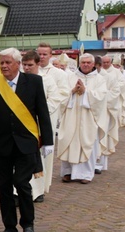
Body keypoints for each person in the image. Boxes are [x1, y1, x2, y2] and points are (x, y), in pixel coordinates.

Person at [0, 48, 53, 232]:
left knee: (21, 183)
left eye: (8, 62)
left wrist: (48, 140)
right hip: (2, 145)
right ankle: (9, 228)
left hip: (26, 144)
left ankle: (28, 225)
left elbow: (42, 113)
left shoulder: (34, 82)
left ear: (18, 64)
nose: (4, 66)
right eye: (1, 62)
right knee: (4, 187)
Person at [57, 53, 107, 184]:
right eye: (83, 62)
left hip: (88, 118)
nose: (85, 65)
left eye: (88, 63)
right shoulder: (70, 77)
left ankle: (85, 174)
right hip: (71, 116)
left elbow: (101, 97)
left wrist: (86, 92)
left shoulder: (99, 79)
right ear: (79, 63)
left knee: (87, 143)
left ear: (93, 64)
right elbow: (61, 95)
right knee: (68, 140)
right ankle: (68, 172)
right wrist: (72, 91)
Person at [20, 50, 58, 203]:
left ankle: (38, 190)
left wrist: (37, 110)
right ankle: (19, 190)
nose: (27, 68)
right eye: (24, 65)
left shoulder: (47, 80)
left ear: (37, 64)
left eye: (30, 65)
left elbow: (55, 99)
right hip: (22, 124)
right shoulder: (18, 80)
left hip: (39, 124)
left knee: (39, 158)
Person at [35, 43, 71, 199]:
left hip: (48, 116)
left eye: (45, 54)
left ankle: (41, 187)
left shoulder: (58, 74)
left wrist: (44, 109)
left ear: (50, 55)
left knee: (44, 152)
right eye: (40, 54)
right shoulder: (28, 70)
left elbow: (63, 94)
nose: (42, 57)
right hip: (28, 117)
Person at [95, 55, 123, 174]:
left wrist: (101, 97)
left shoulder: (110, 77)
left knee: (102, 136)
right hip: (92, 111)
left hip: (104, 111)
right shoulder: (90, 76)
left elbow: (116, 91)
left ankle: (100, 164)